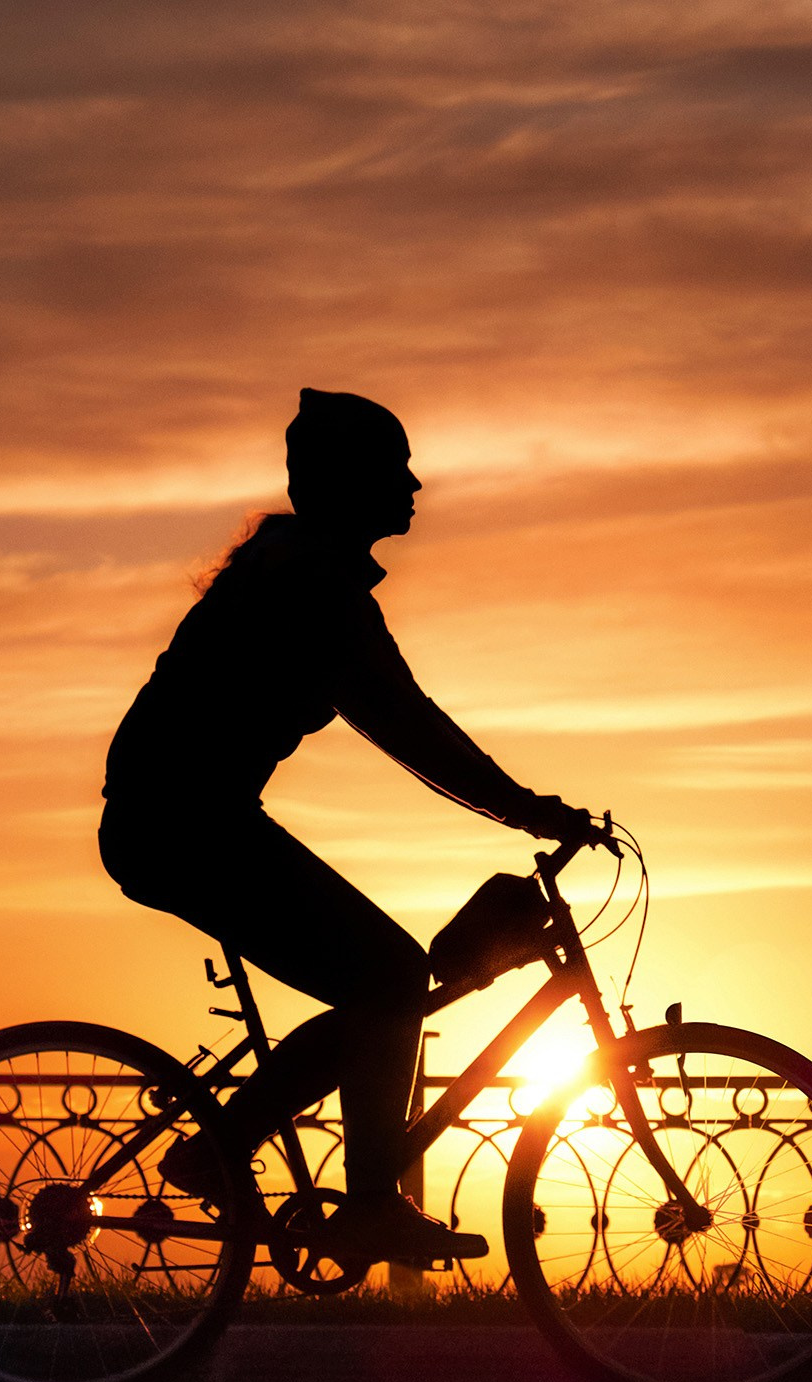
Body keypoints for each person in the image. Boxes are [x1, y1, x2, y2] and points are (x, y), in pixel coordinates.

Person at [99, 389, 597, 1266]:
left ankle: (224, 1144)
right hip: (180, 821)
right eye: (393, 467)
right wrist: (530, 810)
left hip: (184, 815)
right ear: (348, 483)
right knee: (394, 976)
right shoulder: (311, 583)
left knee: (387, 985)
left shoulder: (306, 570)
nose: (413, 483)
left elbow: (408, 719)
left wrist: (525, 805)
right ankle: (366, 1203)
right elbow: (409, 725)